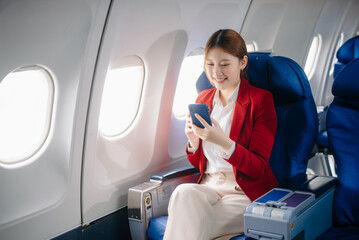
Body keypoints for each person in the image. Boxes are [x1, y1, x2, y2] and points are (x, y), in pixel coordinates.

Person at [163, 29, 278, 240]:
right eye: (210, 64)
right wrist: (193, 142)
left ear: (242, 62)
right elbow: (200, 160)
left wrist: (222, 141)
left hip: (243, 192)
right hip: (209, 186)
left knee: (191, 223)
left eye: (224, 64)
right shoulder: (203, 99)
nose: (216, 72)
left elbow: (258, 167)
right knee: (182, 194)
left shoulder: (260, 101)